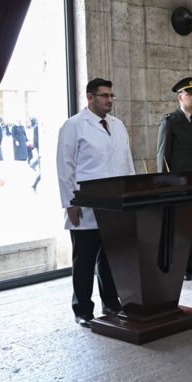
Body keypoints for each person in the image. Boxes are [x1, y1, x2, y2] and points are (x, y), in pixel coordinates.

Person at [57, 78, 135, 327]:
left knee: (112, 258)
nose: (109, 100)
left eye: (112, 95)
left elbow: (127, 163)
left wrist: (132, 196)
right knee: (85, 260)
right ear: (89, 97)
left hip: (115, 204)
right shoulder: (74, 126)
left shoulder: (118, 125)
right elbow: (64, 166)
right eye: (104, 96)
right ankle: (82, 309)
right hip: (85, 204)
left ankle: (111, 303)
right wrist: (70, 202)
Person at [156, 77, 192, 280]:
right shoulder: (170, 122)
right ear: (180, 98)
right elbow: (163, 156)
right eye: (190, 93)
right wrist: (165, 185)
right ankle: (179, 266)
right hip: (179, 185)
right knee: (180, 227)